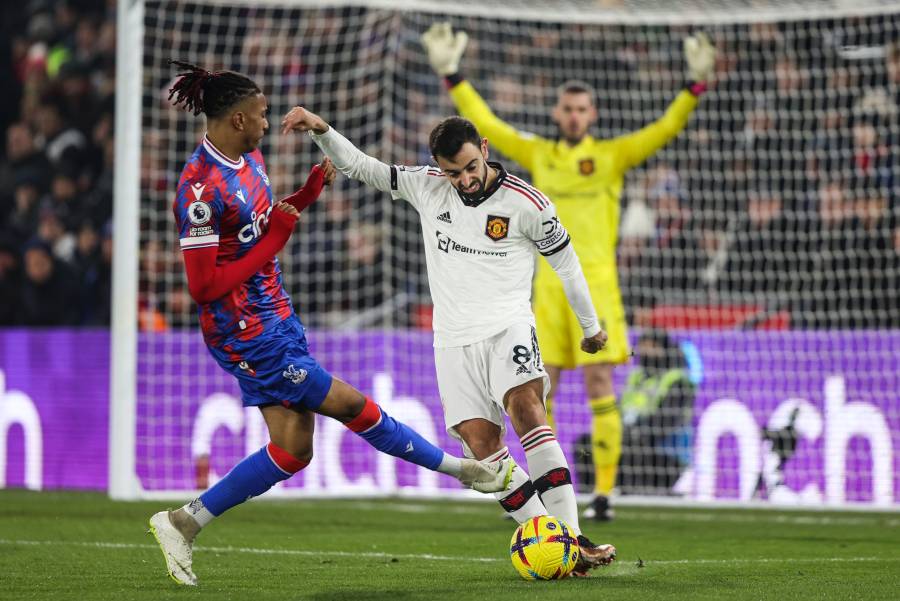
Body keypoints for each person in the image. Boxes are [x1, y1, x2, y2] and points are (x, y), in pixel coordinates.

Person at [148, 62, 512, 587]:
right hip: (244, 332)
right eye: (262, 116)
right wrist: (276, 240)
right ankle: (467, 473)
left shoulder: (247, 163)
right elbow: (204, 287)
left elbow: (262, 229)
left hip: (277, 313)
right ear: (237, 120)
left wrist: (306, 196)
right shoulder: (200, 190)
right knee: (349, 405)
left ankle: (182, 522)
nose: (267, 125)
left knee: (293, 450)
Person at [281, 106, 617, 577]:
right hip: (452, 343)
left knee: (527, 408)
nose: (463, 180)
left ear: (484, 150)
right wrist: (322, 131)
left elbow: (567, 265)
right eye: (452, 173)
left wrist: (590, 327)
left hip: (508, 328)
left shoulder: (529, 204)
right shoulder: (427, 186)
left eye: (469, 168)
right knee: (483, 448)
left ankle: (573, 534)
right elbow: (364, 168)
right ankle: (553, 539)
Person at [421, 22, 716, 520]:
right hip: (543, 289)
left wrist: (693, 89)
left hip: (595, 284)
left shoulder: (612, 155)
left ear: (591, 115)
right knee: (534, 392)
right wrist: (452, 76)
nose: (574, 116)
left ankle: (604, 494)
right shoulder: (541, 154)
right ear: (559, 113)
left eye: (582, 109)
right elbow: (485, 121)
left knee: (601, 385)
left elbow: (663, 129)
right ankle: (551, 495)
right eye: (568, 108)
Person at [618, 330, 695, 495]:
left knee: (636, 444)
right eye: (642, 346)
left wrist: (636, 431)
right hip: (630, 440)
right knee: (589, 444)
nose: (645, 352)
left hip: (665, 451)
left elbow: (666, 421)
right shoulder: (635, 377)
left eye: (651, 347)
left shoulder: (676, 379)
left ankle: (633, 493)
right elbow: (619, 410)